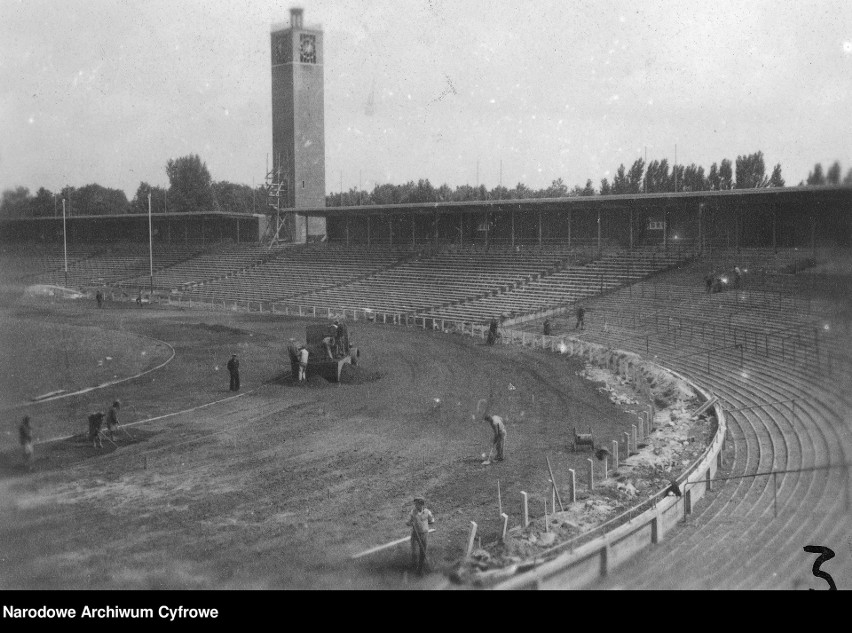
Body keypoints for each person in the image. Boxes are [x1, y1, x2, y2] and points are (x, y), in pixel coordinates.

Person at [406, 497, 435, 575]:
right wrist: (409, 523)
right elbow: (407, 521)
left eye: (417, 504)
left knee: (423, 552)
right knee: (414, 551)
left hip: (424, 534)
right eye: (415, 504)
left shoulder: (427, 512)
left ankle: (420, 569)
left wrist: (424, 526)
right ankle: (413, 566)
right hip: (415, 534)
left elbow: (432, 520)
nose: (415, 506)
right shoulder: (413, 512)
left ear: (422, 505)